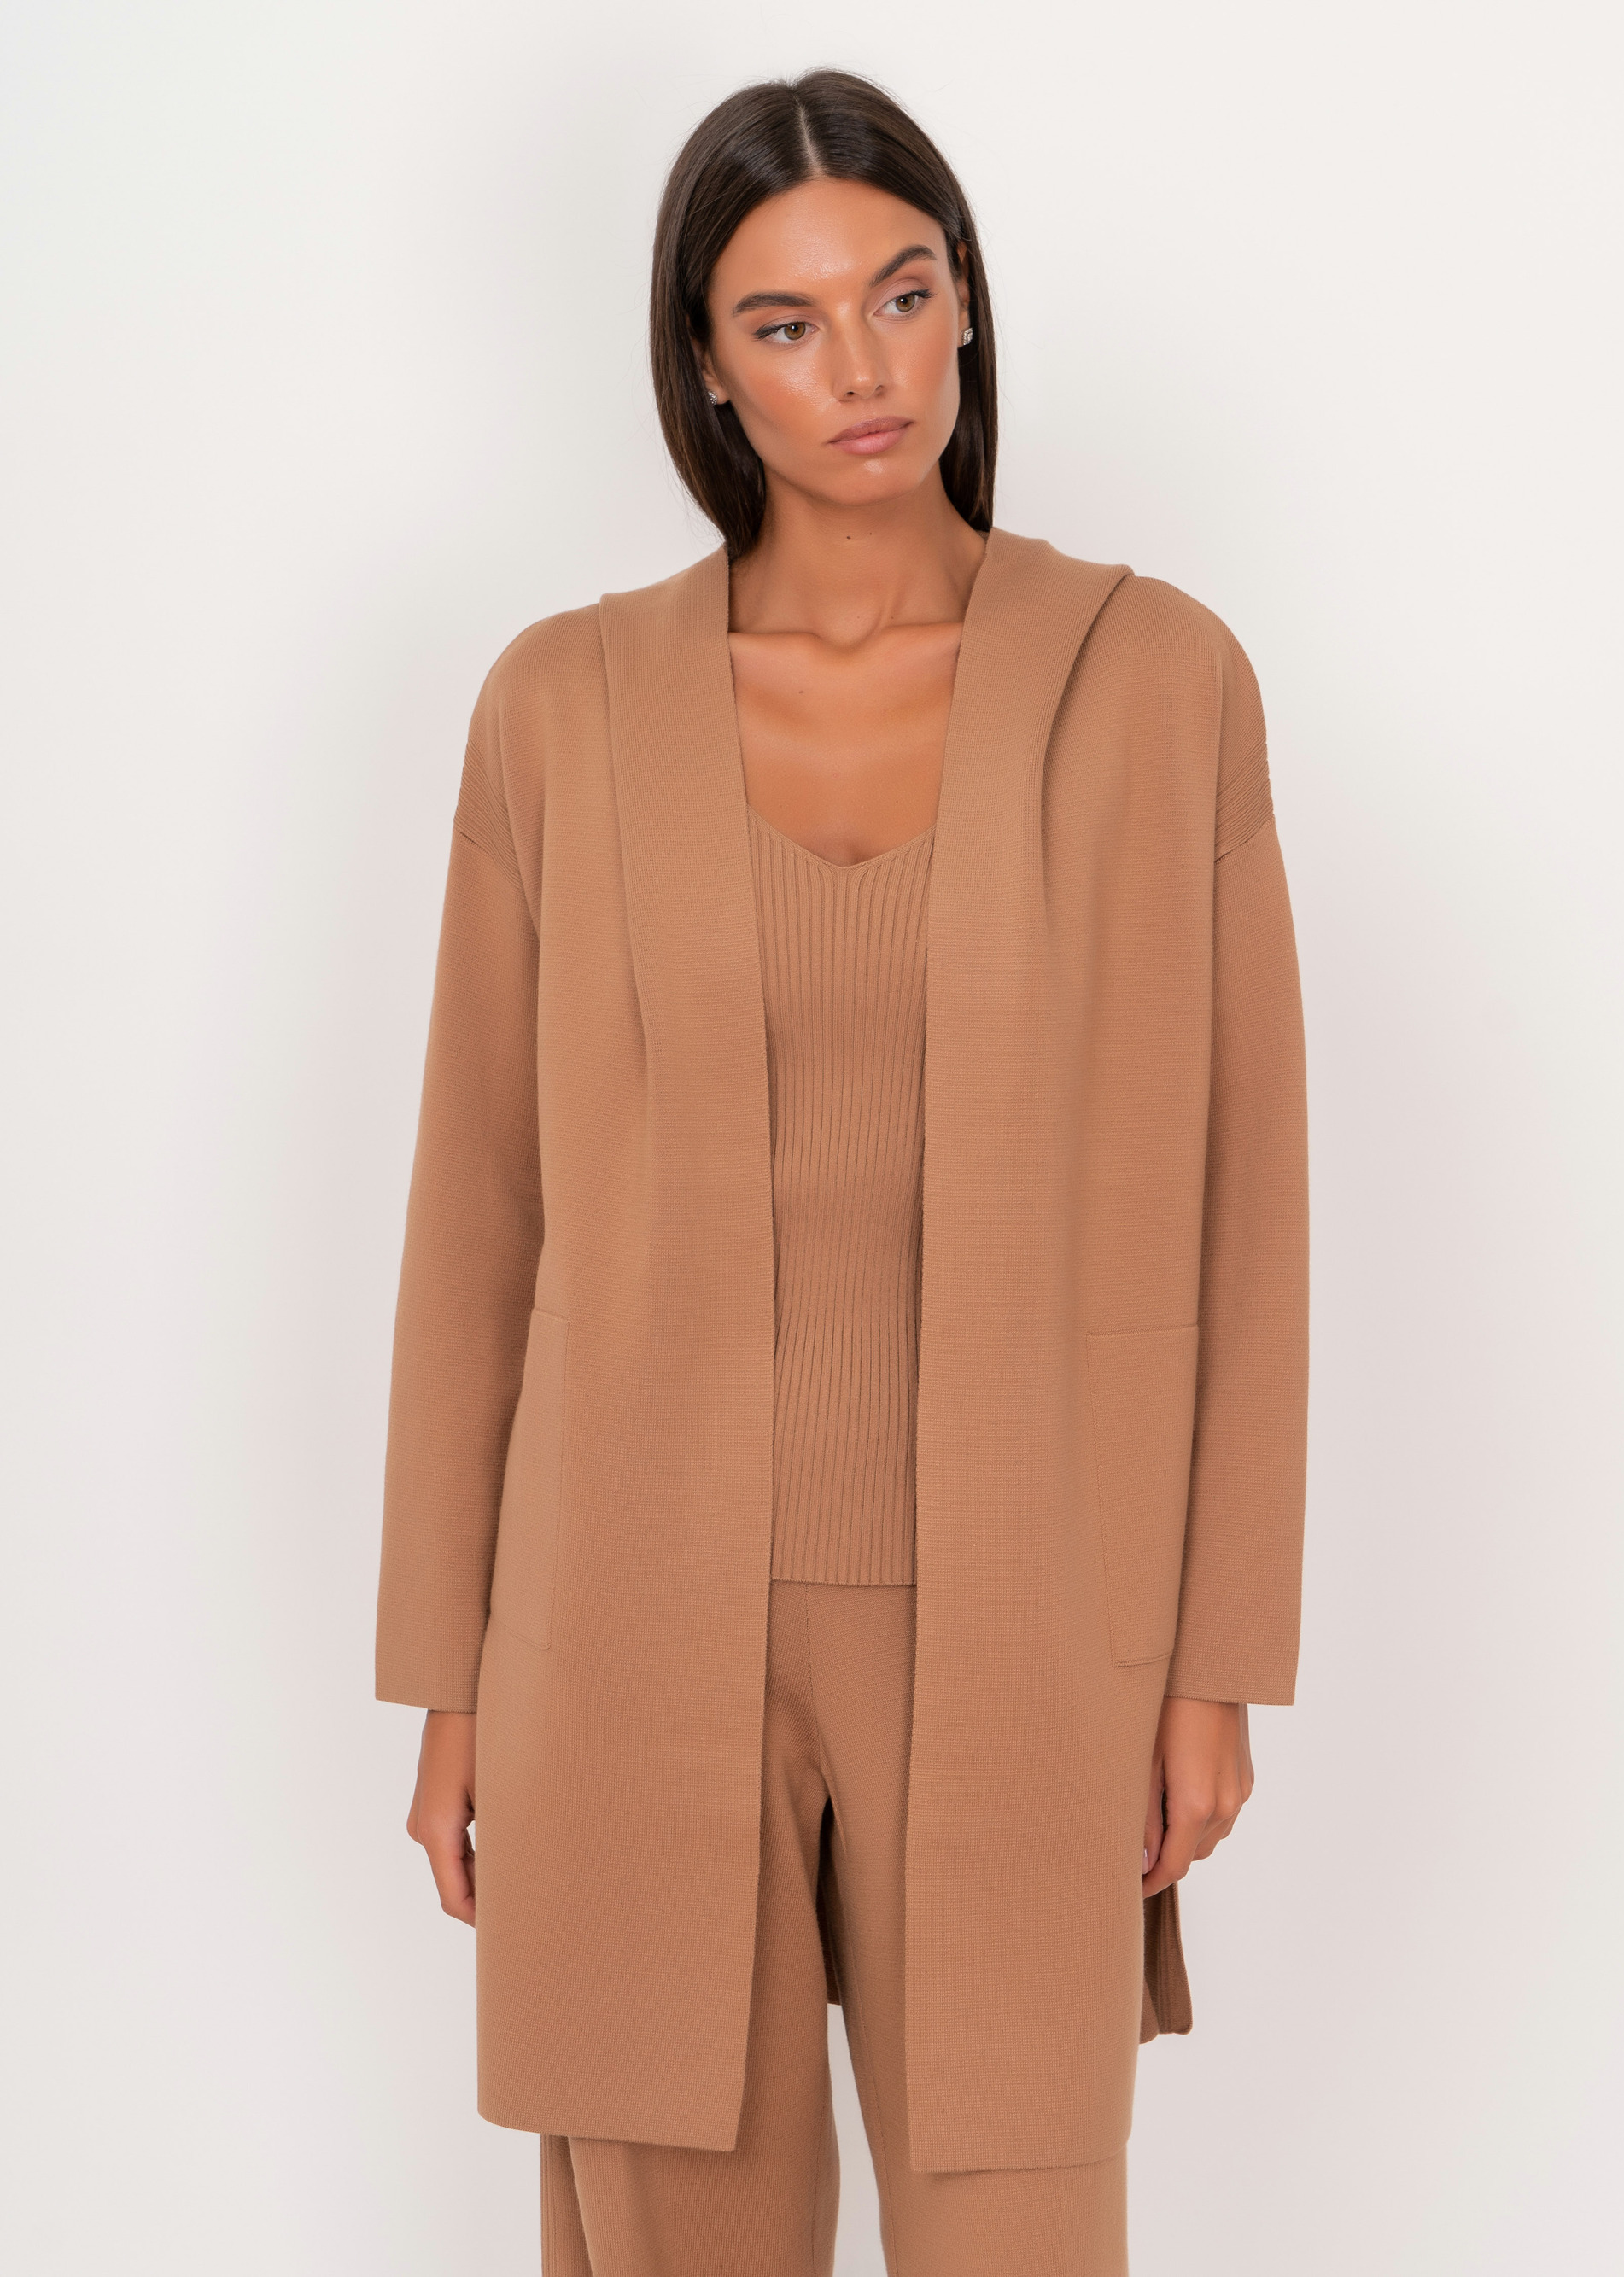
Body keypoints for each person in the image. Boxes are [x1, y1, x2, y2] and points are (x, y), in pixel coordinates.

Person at [377, 65, 1307, 2277]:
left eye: (899, 293)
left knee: (1023, 2226)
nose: (862, 366)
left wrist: (1213, 1661)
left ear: (966, 300)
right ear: (707, 368)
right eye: (784, 323)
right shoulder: (561, 708)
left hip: (1037, 1623)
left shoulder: (1155, 682)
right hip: (619, 1622)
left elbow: (1249, 1203)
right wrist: (451, 1677)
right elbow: (476, 1219)